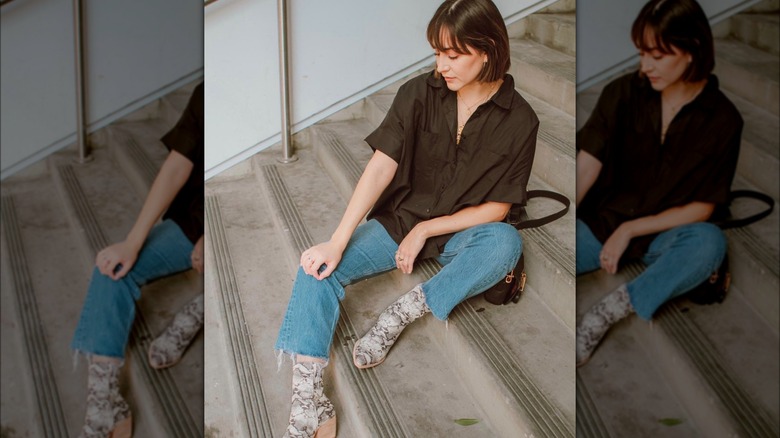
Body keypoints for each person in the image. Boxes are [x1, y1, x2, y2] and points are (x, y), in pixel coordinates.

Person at [274, 0, 538, 436]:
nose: (442, 65)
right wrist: (338, 240)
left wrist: (428, 229)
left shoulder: (521, 120)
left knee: (506, 243)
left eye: (454, 55)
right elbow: (382, 165)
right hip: (397, 221)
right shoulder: (420, 92)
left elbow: (499, 209)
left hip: (461, 232)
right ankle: (309, 401)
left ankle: (402, 312)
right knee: (317, 269)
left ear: (488, 49)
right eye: (438, 52)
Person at [575, 0, 742, 367]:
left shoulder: (723, 119)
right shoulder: (623, 93)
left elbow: (705, 206)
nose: (645, 66)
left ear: (692, 51)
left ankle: (608, 311)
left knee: (708, 241)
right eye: (642, 53)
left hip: (664, 232)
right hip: (601, 222)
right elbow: (586, 165)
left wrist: (631, 229)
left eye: (658, 55)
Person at [71, 82, 204, 437]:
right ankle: (104, 402)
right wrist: (132, 242)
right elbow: (178, 165)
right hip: (191, 220)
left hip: (231, 224)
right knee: (111, 270)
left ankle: (200, 308)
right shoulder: (208, 92)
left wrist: (217, 236)